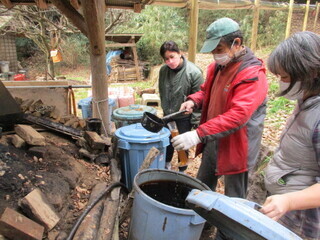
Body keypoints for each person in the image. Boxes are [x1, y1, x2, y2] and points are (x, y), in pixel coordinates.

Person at [172, 17, 268, 198]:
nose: (216, 55)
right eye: (213, 51)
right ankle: (200, 222)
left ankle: (226, 227)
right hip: (213, 137)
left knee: (235, 198)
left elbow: (238, 115)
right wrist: (193, 101)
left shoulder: (252, 75)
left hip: (237, 145)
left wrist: (197, 134)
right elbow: (205, 91)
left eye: (220, 49)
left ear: (237, 43)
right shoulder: (217, 67)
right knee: (202, 186)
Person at [260, 31, 320, 240]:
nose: (281, 83)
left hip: (304, 222)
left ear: (310, 72)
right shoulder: (307, 101)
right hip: (285, 212)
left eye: (285, 77)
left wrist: (289, 201)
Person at [158, 41, 204, 170]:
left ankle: (182, 170)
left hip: (184, 116)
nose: (169, 61)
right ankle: (166, 164)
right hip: (168, 114)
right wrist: (165, 110)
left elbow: (200, 97)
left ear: (180, 53)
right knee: (167, 141)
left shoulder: (194, 73)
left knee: (182, 144)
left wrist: (195, 121)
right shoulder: (163, 70)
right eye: (166, 59)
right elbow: (162, 90)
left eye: (172, 57)